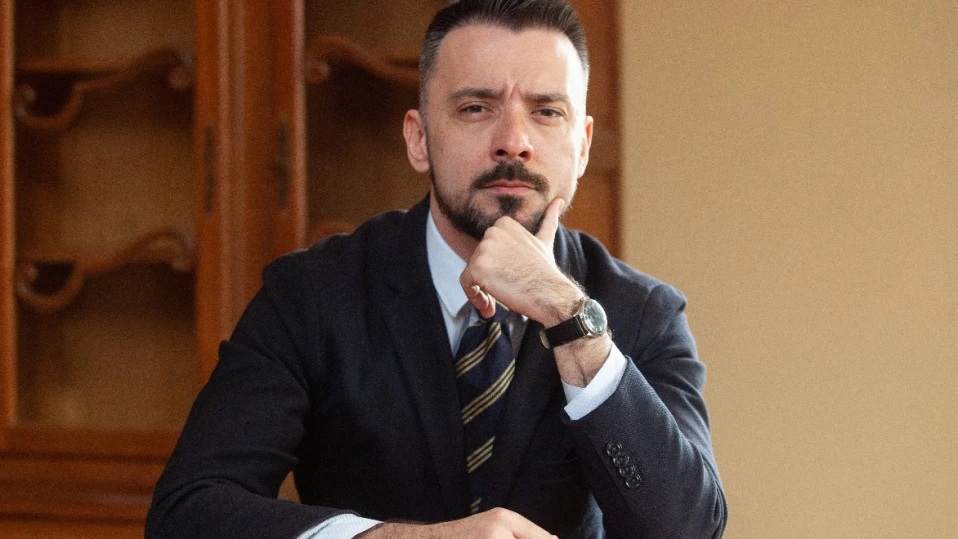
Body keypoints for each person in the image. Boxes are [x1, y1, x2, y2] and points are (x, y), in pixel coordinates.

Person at [146, 0, 727, 537]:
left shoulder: (644, 313)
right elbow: (187, 512)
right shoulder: (310, 296)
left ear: (583, 146)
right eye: (476, 108)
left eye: (547, 112)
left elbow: (686, 530)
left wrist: (566, 313)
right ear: (419, 138)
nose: (514, 142)